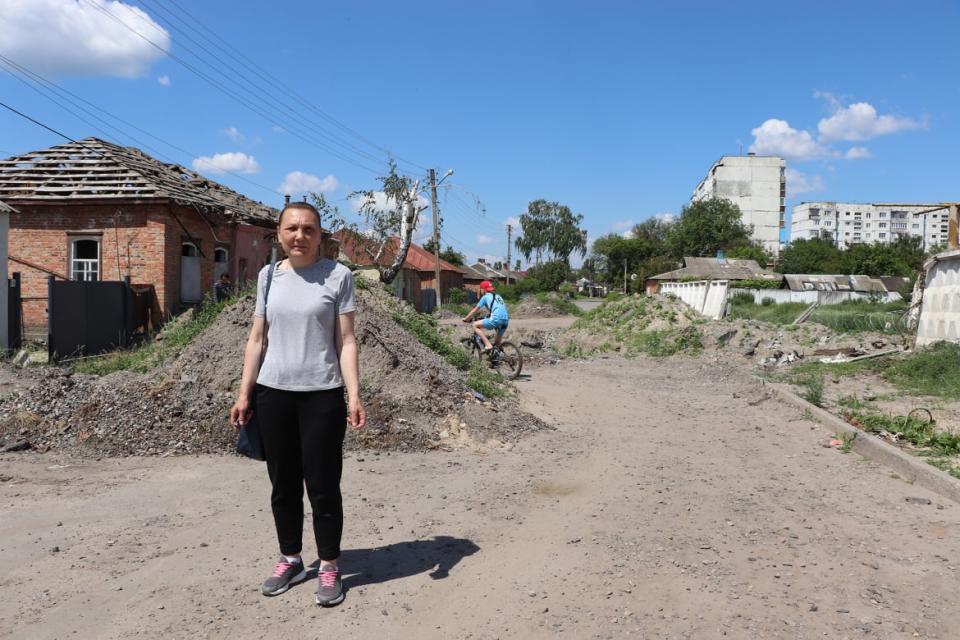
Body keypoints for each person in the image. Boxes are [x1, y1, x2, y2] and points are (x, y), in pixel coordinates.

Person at [230, 201, 366, 607]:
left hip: (321, 394)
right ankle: (290, 557)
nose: (300, 236)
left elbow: (346, 341)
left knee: (323, 485)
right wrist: (244, 393)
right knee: (282, 484)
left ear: (320, 235)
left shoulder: (338, 276)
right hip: (273, 394)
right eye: (292, 228)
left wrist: (353, 393)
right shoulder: (268, 277)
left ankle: (328, 565)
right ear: (279, 234)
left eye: (309, 229)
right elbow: (257, 339)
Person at [462, 280, 509, 352]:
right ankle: (497, 359)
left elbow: (475, 309)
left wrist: (466, 318)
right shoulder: (498, 296)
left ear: (483, 290)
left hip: (496, 318)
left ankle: (488, 344)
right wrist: (488, 316)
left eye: (481, 289)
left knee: (475, 325)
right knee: (497, 344)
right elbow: (496, 309)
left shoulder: (485, 297)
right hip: (505, 319)